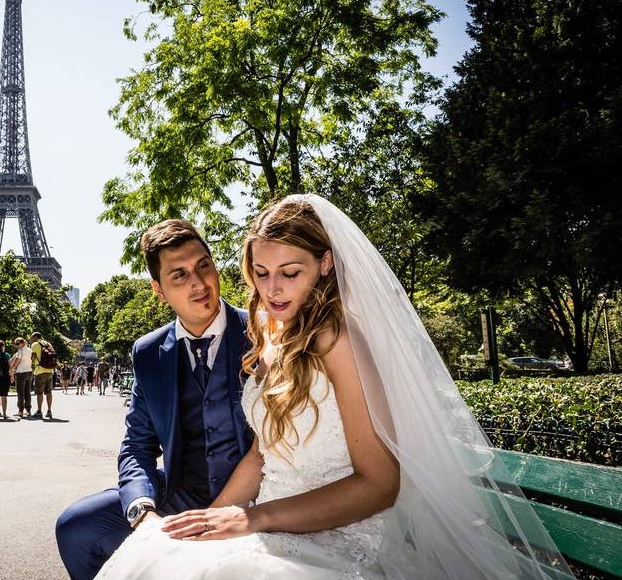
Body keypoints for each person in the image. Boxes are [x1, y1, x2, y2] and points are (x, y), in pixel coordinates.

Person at [94, 195, 572, 580]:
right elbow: (262, 455)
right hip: (270, 520)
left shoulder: (338, 338)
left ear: (325, 264)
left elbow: (381, 485)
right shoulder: (277, 331)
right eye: (260, 274)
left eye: (290, 272)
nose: (272, 290)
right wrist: (210, 520)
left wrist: (252, 518)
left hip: (334, 538)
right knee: (161, 557)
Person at [55, 219, 253, 580]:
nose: (198, 282)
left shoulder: (263, 331)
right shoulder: (147, 352)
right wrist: (143, 513)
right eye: (179, 275)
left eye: (203, 265)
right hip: (180, 494)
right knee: (76, 527)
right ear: (158, 290)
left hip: (255, 498)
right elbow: (136, 447)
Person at [30, 331, 55, 420]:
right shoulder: (48, 344)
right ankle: (49, 411)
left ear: (36, 337)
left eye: (31, 338)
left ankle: (39, 411)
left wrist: (31, 363)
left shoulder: (35, 345)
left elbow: (33, 357)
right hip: (50, 371)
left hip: (40, 371)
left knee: (39, 392)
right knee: (48, 392)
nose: (31, 340)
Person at [10, 337, 33, 418]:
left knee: (20, 393)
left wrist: (11, 370)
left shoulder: (20, 351)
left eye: (17, 343)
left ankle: (20, 411)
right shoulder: (30, 350)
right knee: (27, 392)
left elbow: (16, 362)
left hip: (21, 373)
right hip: (29, 371)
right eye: (15, 344)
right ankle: (28, 411)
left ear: (22, 343)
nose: (16, 345)